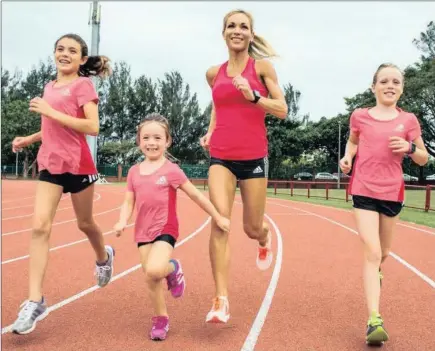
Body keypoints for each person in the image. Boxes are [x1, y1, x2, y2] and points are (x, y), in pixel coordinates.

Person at [11, 33, 115, 335]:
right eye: (60, 49)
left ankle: (103, 256)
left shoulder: (84, 86)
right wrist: (29, 138)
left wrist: (50, 110)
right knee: (40, 226)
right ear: (54, 54)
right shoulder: (49, 86)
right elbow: (51, 125)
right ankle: (34, 300)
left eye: (72, 50)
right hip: (51, 165)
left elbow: (92, 127)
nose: (65, 54)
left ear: (82, 59)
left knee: (85, 223)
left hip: (78, 164)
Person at [199, 9, 288, 324]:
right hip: (221, 155)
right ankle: (220, 299)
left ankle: (263, 239)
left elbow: (282, 109)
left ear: (251, 34)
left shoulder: (262, 68)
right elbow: (217, 104)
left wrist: (254, 98)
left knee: (251, 227)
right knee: (219, 221)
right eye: (231, 26)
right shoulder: (214, 73)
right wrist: (210, 131)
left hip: (253, 156)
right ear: (223, 32)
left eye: (243, 26)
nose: (237, 30)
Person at [113, 113, 230, 341]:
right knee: (151, 277)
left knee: (156, 270)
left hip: (165, 228)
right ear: (139, 141)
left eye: (157, 138)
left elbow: (196, 196)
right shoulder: (134, 172)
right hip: (142, 231)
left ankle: (173, 268)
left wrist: (218, 216)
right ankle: (161, 318)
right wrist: (121, 220)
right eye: (146, 137)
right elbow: (129, 201)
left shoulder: (171, 170)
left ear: (167, 141)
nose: (151, 143)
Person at [339, 63, 428, 346]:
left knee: (384, 253)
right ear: (373, 86)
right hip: (363, 189)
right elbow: (352, 142)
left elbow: (424, 158)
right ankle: (374, 319)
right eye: (385, 81)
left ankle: (374, 273)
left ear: (401, 88)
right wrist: (347, 158)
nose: (391, 85)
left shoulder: (409, 121)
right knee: (372, 251)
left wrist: (411, 149)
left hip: (392, 193)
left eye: (396, 82)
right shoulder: (360, 116)